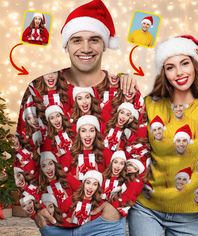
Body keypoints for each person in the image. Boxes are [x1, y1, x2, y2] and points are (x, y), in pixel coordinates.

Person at [14, 0, 147, 235]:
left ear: (104, 44)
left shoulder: (125, 92)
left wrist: (117, 206)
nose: (85, 48)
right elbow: (26, 149)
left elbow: (140, 151)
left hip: (104, 220)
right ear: (67, 44)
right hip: (54, 218)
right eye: (77, 40)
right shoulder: (40, 89)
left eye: (94, 39)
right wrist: (34, 207)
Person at [128, 35, 198, 236]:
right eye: (170, 67)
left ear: (196, 65)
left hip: (190, 215)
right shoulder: (151, 105)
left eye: (185, 63)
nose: (179, 73)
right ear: (164, 73)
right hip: (146, 208)